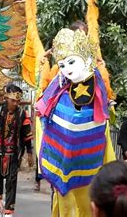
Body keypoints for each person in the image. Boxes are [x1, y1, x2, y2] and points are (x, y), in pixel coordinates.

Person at [36, 28, 116, 217]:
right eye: (62, 65)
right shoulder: (58, 92)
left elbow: (104, 125)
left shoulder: (98, 94)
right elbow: (43, 114)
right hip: (63, 161)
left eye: (71, 62)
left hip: (89, 165)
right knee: (66, 206)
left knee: (89, 203)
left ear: (87, 60)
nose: (67, 69)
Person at [0, 84, 33, 217]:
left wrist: (29, 153)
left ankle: (8, 211)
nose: (15, 103)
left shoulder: (22, 113)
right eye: (13, 100)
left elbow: (26, 135)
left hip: (13, 154)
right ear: (6, 98)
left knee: (11, 182)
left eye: (18, 101)